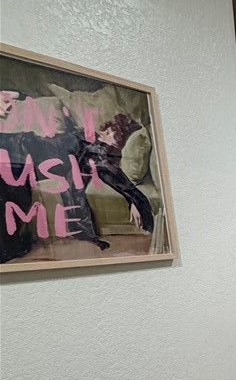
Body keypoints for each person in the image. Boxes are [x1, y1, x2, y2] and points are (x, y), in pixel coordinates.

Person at [0, 92, 154, 262]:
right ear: (108, 130)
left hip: (25, 152)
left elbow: (108, 171)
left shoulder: (92, 147)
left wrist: (132, 199)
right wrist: (136, 197)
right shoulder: (92, 140)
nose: (114, 146)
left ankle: (9, 246)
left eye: (119, 143)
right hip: (24, 146)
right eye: (115, 138)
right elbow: (109, 170)